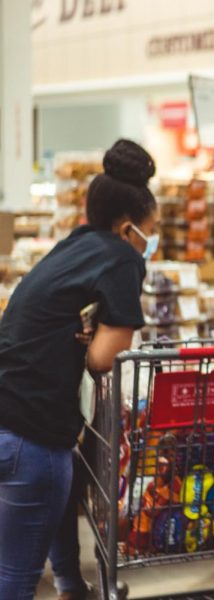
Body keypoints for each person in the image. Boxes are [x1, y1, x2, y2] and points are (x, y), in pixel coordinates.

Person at [0, 139, 159, 599]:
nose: (151, 241)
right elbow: (103, 358)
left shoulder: (74, 244)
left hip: (8, 410)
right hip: (31, 434)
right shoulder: (123, 258)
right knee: (14, 577)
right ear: (129, 228)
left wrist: (89, 327)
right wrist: (100, 336)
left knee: (56, 493)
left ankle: (72, 584)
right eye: (152, 230)